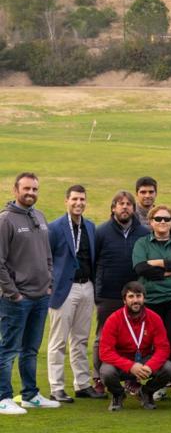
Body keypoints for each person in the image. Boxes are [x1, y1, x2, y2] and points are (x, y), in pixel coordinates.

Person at [0, 172, 58, 414]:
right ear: (15, 190)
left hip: (40, 296)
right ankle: (3, 397)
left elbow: (47, 254)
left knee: (31, 348)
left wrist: (49, 283)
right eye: (26, 189)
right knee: (9, 348)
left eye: (34, 189)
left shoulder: (40, 216)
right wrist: (13, 293)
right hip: (17, 299)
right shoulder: (5, 220)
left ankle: (30, 394)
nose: (31, 193)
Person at [91, 190, 149, 391]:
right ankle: (99, 377)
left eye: (128, 204)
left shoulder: (143, 233)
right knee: (102, 337)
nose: (125, 207)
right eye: (120, 203)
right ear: (113, 208)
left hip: (134, 294)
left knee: (135, 337)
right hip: (108, 293)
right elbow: (93, 262)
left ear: (134, 209)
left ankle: (132, 378)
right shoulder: (101, 232)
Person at [47, 184, 99, 403]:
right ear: (66, 201)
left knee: (80, 339)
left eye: (82, 199)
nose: (79, 203)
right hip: (63, 289)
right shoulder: (55, 227)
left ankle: (82, 384)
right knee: (58, 340)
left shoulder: (90, 226)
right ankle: (56, 387)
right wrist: (50, 286)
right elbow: (46, 259)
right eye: (75, 199)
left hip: (86, 286)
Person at [97, 281, 171, 411]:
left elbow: (163, 348)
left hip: (145, 360)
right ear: (124, 300)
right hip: (121, 362)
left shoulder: (154, 318)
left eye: (138, 296)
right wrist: (130, 366)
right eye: (131, 297)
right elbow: (105, 352)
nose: (135, 300)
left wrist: (150, 366)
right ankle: (118, 395)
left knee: (169, 369)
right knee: (106, 372)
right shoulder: (114, 319)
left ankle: (146, 392)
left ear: (144, 298)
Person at [132, 204, 171, 356]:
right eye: (158, 218)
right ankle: (151, 372)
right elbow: (141, 268)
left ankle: (169, 374)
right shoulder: (142, 243)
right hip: (152, 298)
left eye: (167, 219)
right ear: (151, 222)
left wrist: (157, 263)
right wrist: (170, 271)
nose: (162, 222)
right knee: (151, 339)